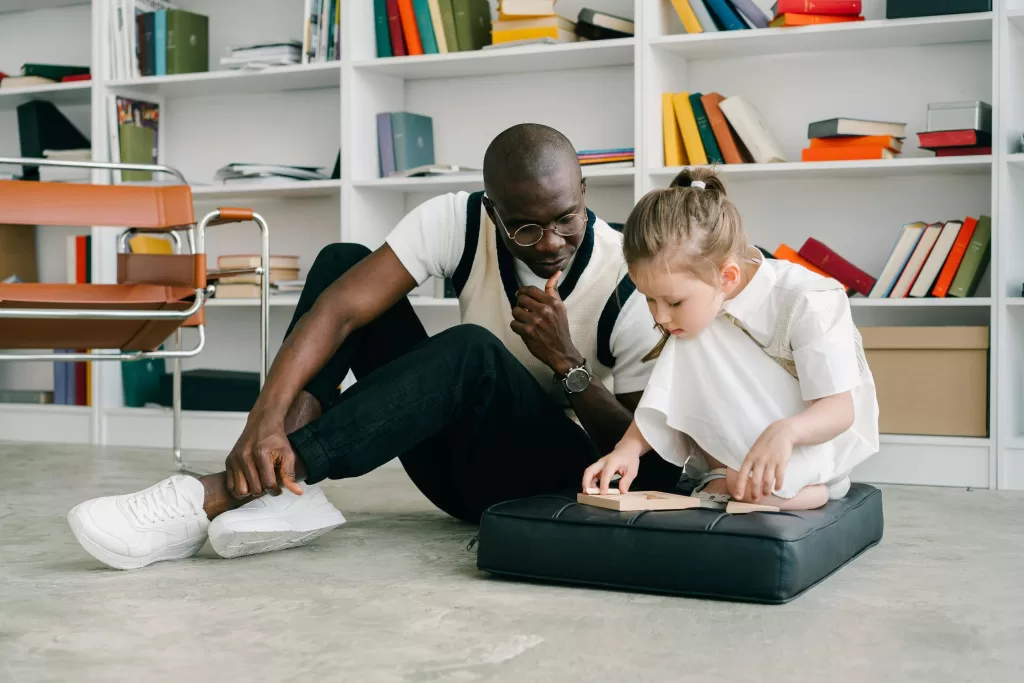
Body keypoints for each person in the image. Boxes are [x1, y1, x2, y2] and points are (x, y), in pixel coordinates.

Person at [67, 123, 683, 570]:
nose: (550, 241)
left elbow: (651, 470)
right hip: (452, 470)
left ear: (583, 191)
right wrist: (262, 422)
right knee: (344, 265)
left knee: (471, 352)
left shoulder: (628, 282)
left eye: (566, 218)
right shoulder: (457, 221)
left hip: (550, 481)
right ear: (491, 210)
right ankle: (282, 488)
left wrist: (568, 366)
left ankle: (214, 495)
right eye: (525, 225)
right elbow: (338, 312)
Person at [582, 168, 879, 510]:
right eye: (650, 299)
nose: (660, 316)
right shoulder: (693, 311)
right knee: (691, 332)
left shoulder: (809, 298)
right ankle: (725, 471)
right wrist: (628, 449)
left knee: (743, 484)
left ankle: (826, 487)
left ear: (728, 276)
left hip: (811, 438)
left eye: (673, 301)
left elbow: (840, 411)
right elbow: (666, 394)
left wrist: (786, 432)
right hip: (745, 447)